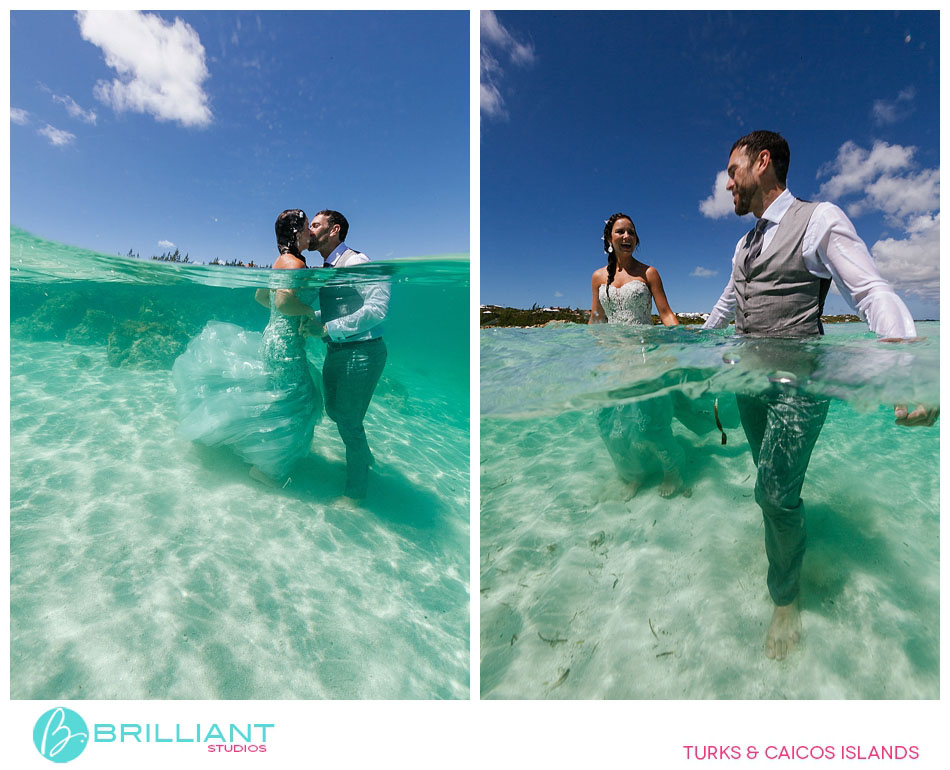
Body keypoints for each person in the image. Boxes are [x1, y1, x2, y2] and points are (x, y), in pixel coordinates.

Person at [702, 130, 937, 660]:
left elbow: (870, 290)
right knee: (769, 483)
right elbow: (726, 305)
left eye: (732, 169)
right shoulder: (743, 244)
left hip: (799, 385)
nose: (727, 182)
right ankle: (788, 544)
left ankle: (785, 596)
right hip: (749, 383)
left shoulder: (820, 219)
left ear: (763, 163)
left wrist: (905, 368)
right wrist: (683, 353)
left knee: (774, 494)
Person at [172, 209, 323, 486]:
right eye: (305, 227)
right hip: (286, 345)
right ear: (296, 232)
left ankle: (264, 457)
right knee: (297, 401)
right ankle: (268, 470)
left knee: (284, 399)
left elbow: (261, 297)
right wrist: (308, 313)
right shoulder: (295, 265)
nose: (309, 233)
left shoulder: (281, 262)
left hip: (274, 338)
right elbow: (281, 302)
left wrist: (285, 319)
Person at [589, 212, 687, 498]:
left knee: (648, 424)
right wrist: (588, 356)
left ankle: (674, 472)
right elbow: (596, 319)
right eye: (620, 232)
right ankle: (634, 474)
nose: (626, 236)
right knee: (612, 427)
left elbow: (666, 314)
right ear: (609, 239)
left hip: (645, 357)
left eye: (631, 232)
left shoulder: (649, 273)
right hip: (612, 360)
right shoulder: (597, 278)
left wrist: (681, 344)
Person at [304, 210, 389, 499]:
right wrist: (311, 317)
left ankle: (356, 492)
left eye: (315, 225)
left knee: (349, 421)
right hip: (338, 349)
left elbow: (377, 308)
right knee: (336, 412)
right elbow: (340, 307)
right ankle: (363, 459)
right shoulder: (328, 266)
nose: (309, 230)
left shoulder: (356, 261)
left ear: (334, 230)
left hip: (363, 352)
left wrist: (327, 326)